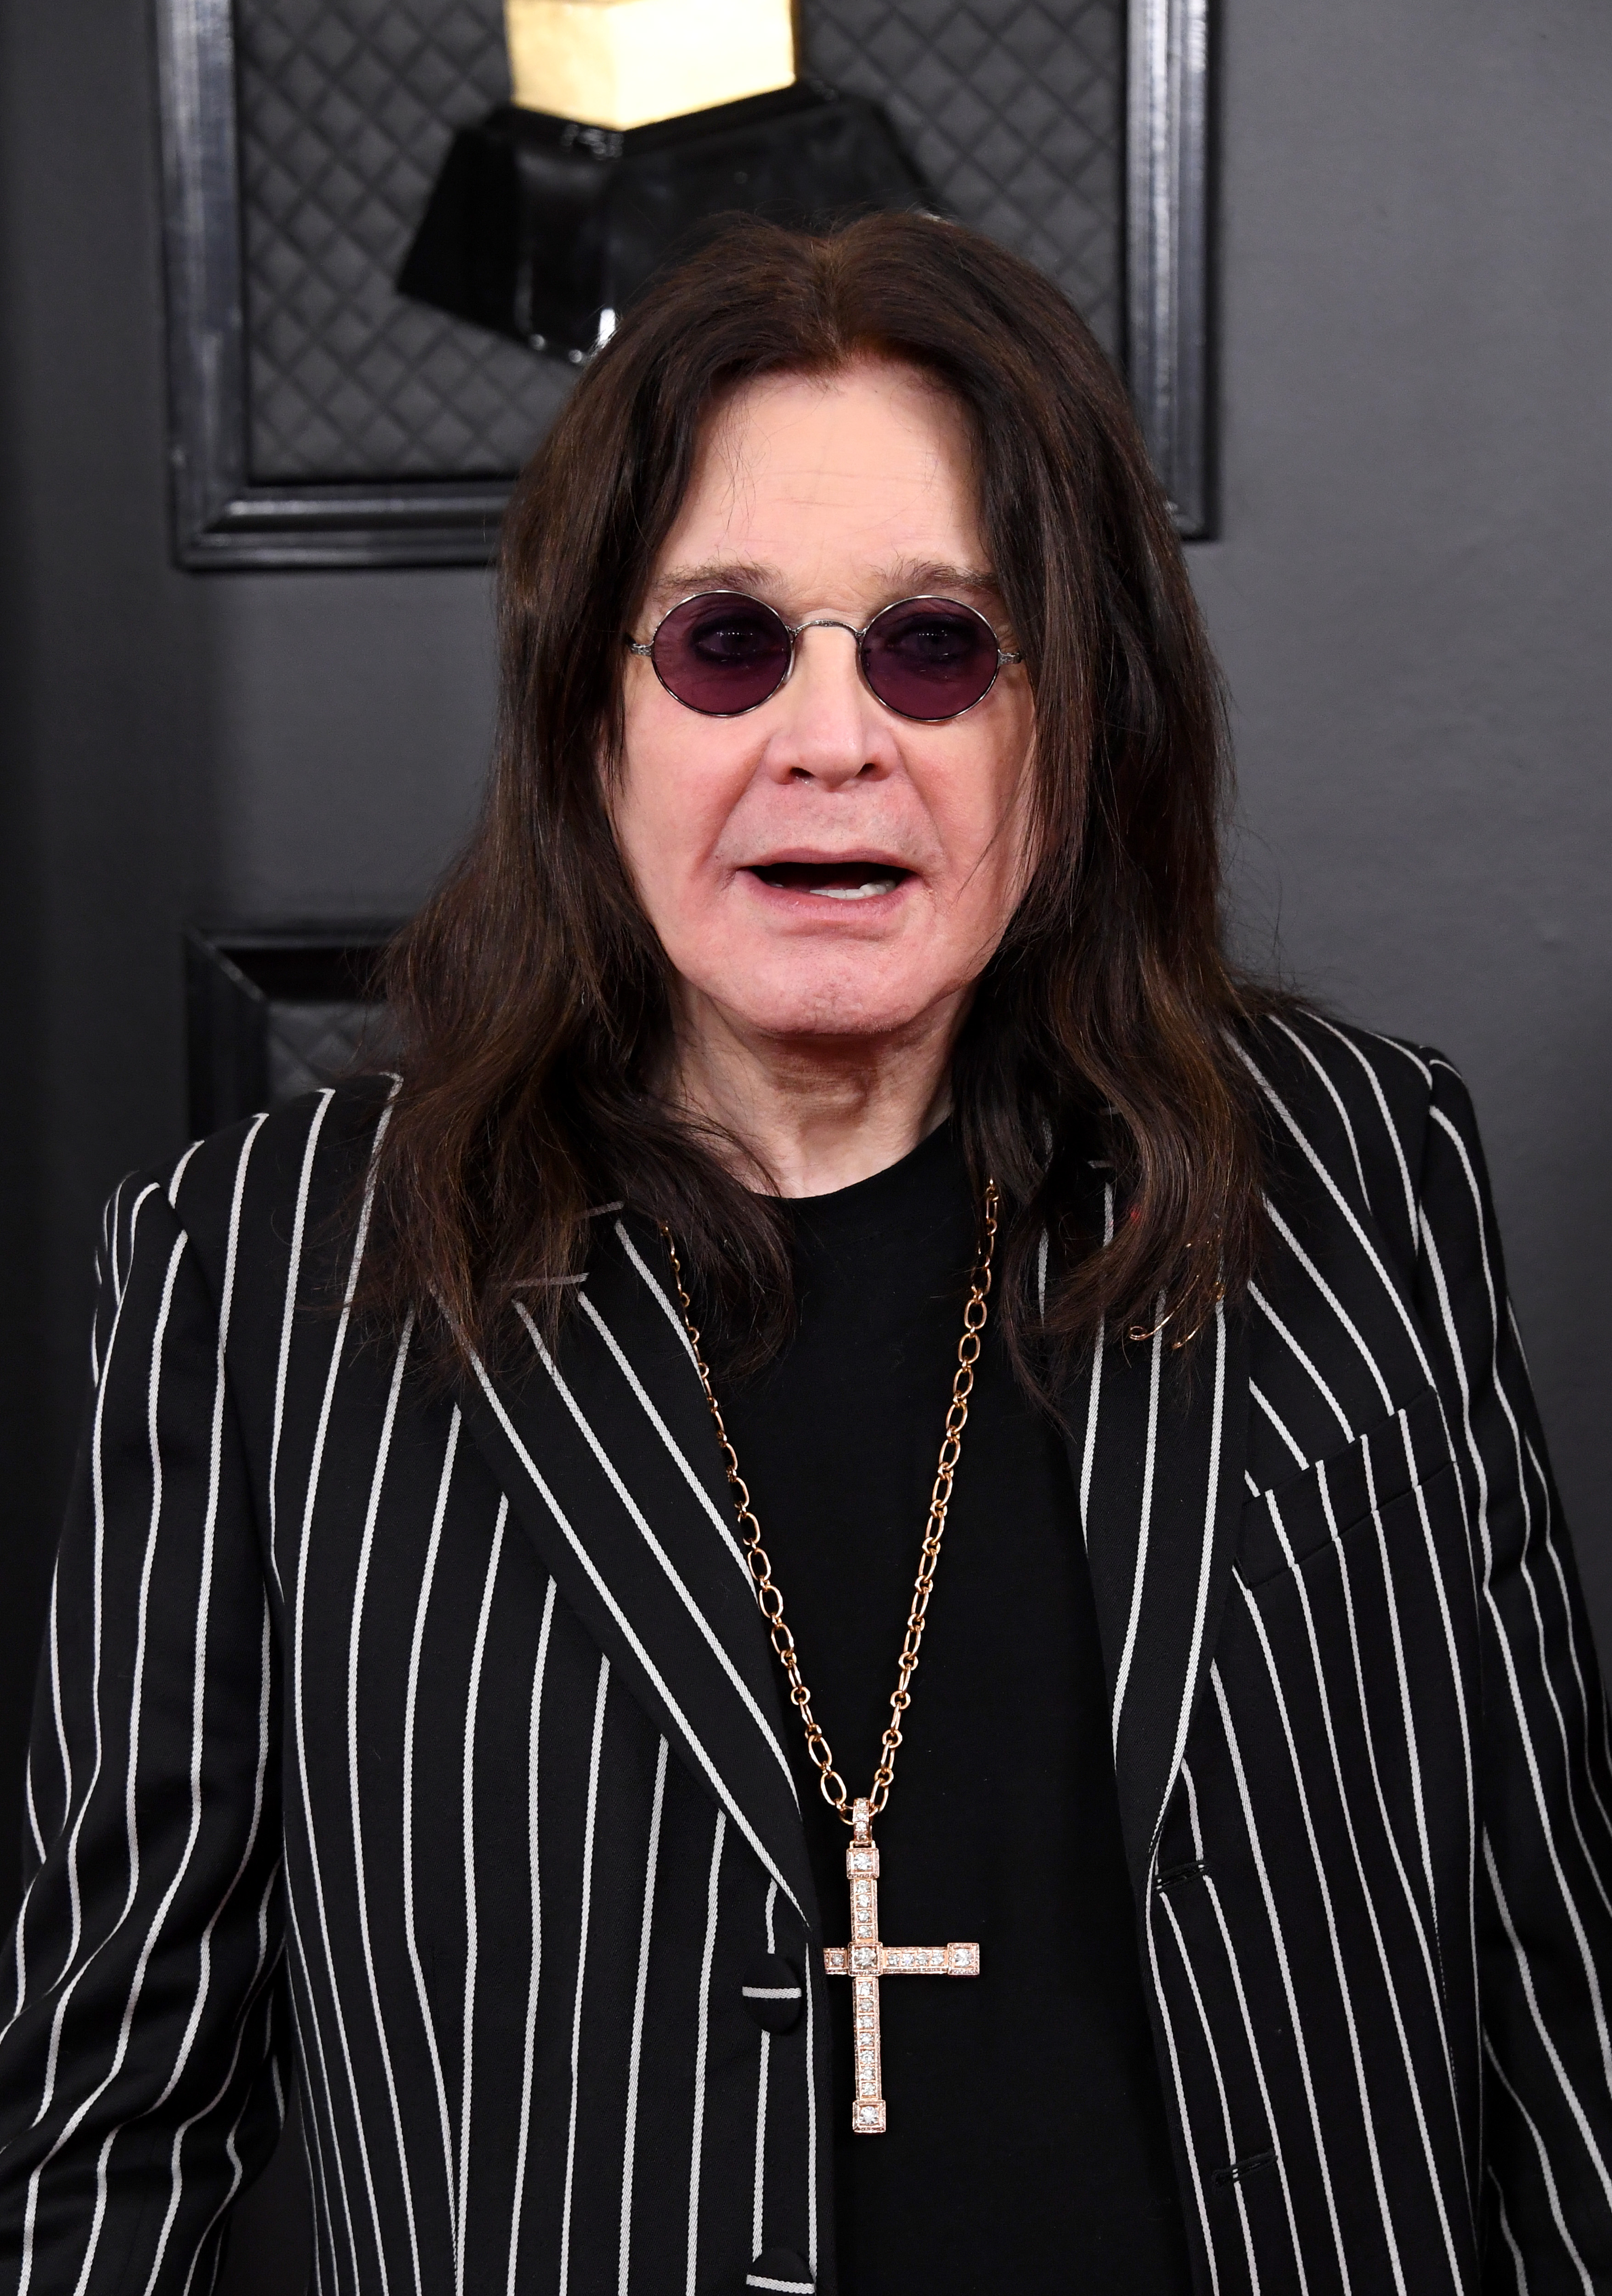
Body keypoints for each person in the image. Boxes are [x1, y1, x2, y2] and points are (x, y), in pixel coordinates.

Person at [1, 209, 1608, 2296]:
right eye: (724, 644)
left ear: (1072, 723)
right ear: (597, 723)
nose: (831, 737)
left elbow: (1550, 1996)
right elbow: (98, 2128)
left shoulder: (1352, 1182)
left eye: (936, 643)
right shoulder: (265, 1276)